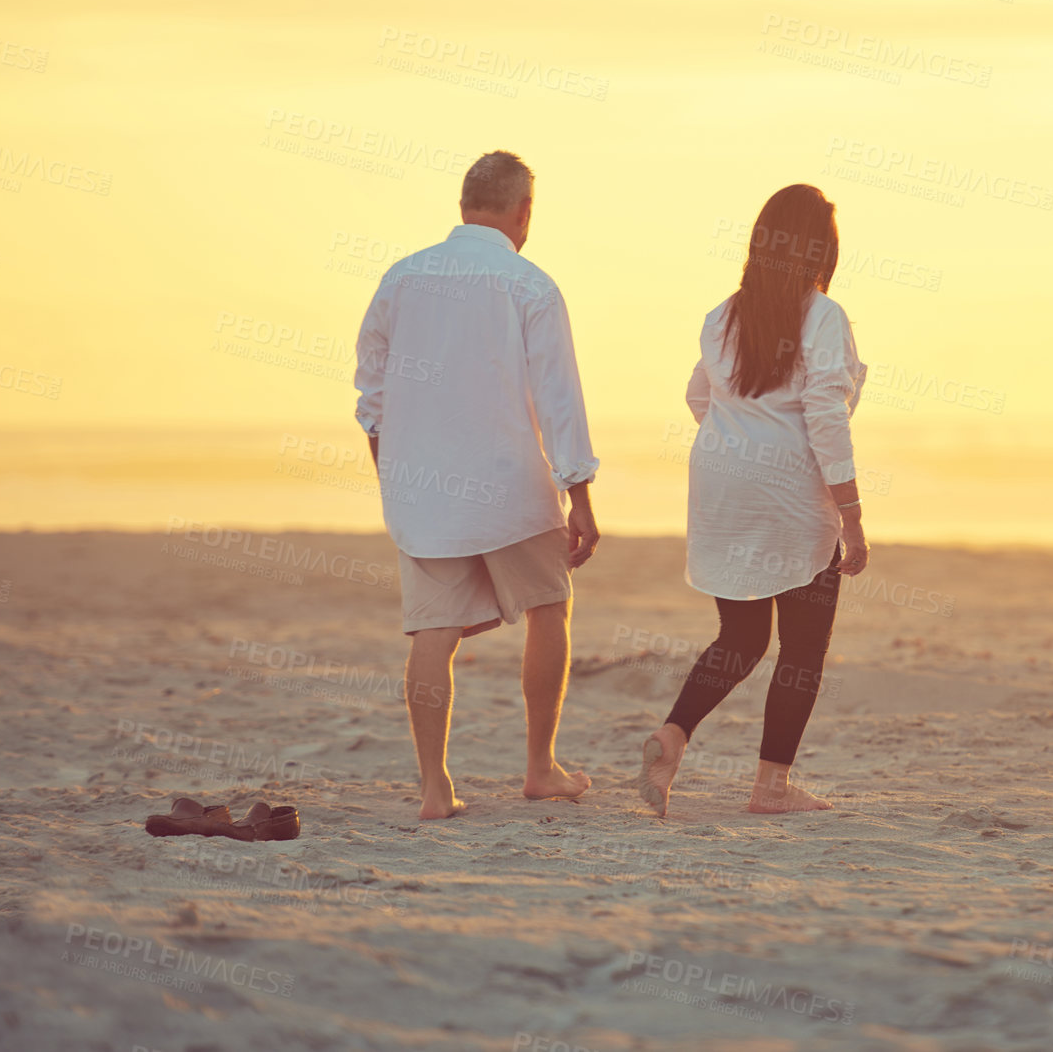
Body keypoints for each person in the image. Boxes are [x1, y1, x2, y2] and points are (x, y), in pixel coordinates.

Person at [354, 150, 600, 820]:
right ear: (524, 212)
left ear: (463, 206)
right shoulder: (528, 284)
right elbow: (559, 398)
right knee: (549, 606)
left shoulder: (401, 278)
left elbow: (370, 395)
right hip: (509, 487)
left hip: (419, 488)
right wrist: (578, 493)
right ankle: (540, 766)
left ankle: (434, 786)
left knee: (432, 630)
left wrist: (394, 473)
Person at [638, 184, 869, 817]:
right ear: (822, 249)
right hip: (792, 491)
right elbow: (825, 416)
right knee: (801, 649)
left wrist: (739, 443)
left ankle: (673, 735)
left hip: (721, 484)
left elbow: (697, 395)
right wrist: (851, 514)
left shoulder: (724, 314)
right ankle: (771, 786)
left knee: (739, 634)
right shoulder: (823, 315)